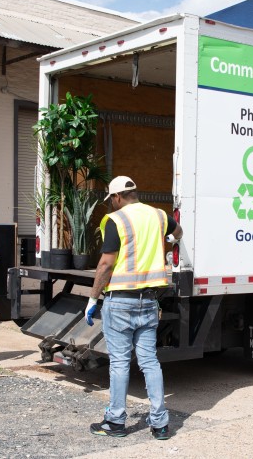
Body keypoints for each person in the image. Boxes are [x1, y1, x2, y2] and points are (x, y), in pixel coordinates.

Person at [86, 176, 182, 440]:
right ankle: (160, 424)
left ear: (117, 197)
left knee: (119, 363)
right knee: (150, 362)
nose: (112, 205)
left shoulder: (117, 220)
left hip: (120, 302)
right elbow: (178, 233)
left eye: (111, 200)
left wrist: (93, 299)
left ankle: (116, 422)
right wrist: (168, 246)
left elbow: (106, 264)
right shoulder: (159, 216)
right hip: (149, 301)